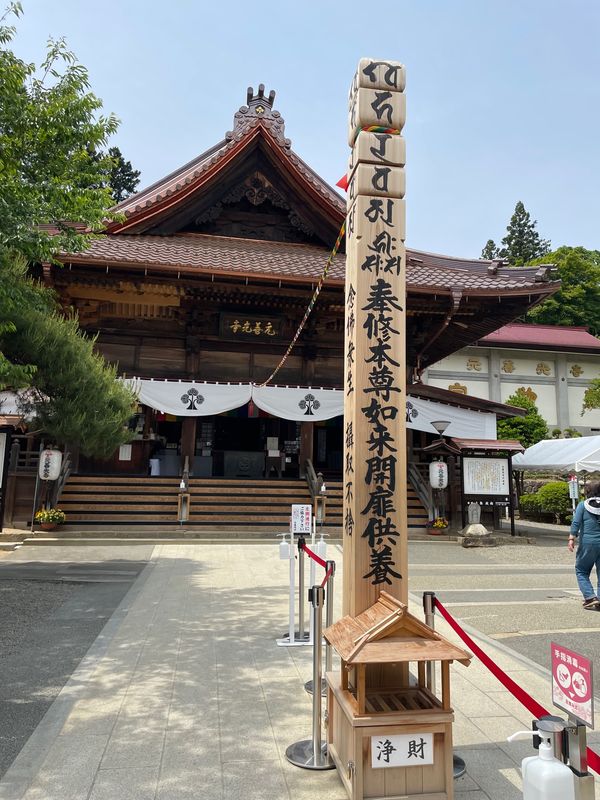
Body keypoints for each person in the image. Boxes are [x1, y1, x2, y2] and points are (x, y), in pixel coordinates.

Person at [569, 481, 600, 610]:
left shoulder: (583, 505)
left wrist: (571, 538)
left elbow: (576, 522)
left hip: (588, 543)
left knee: (581, 570)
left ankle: (590, 597)